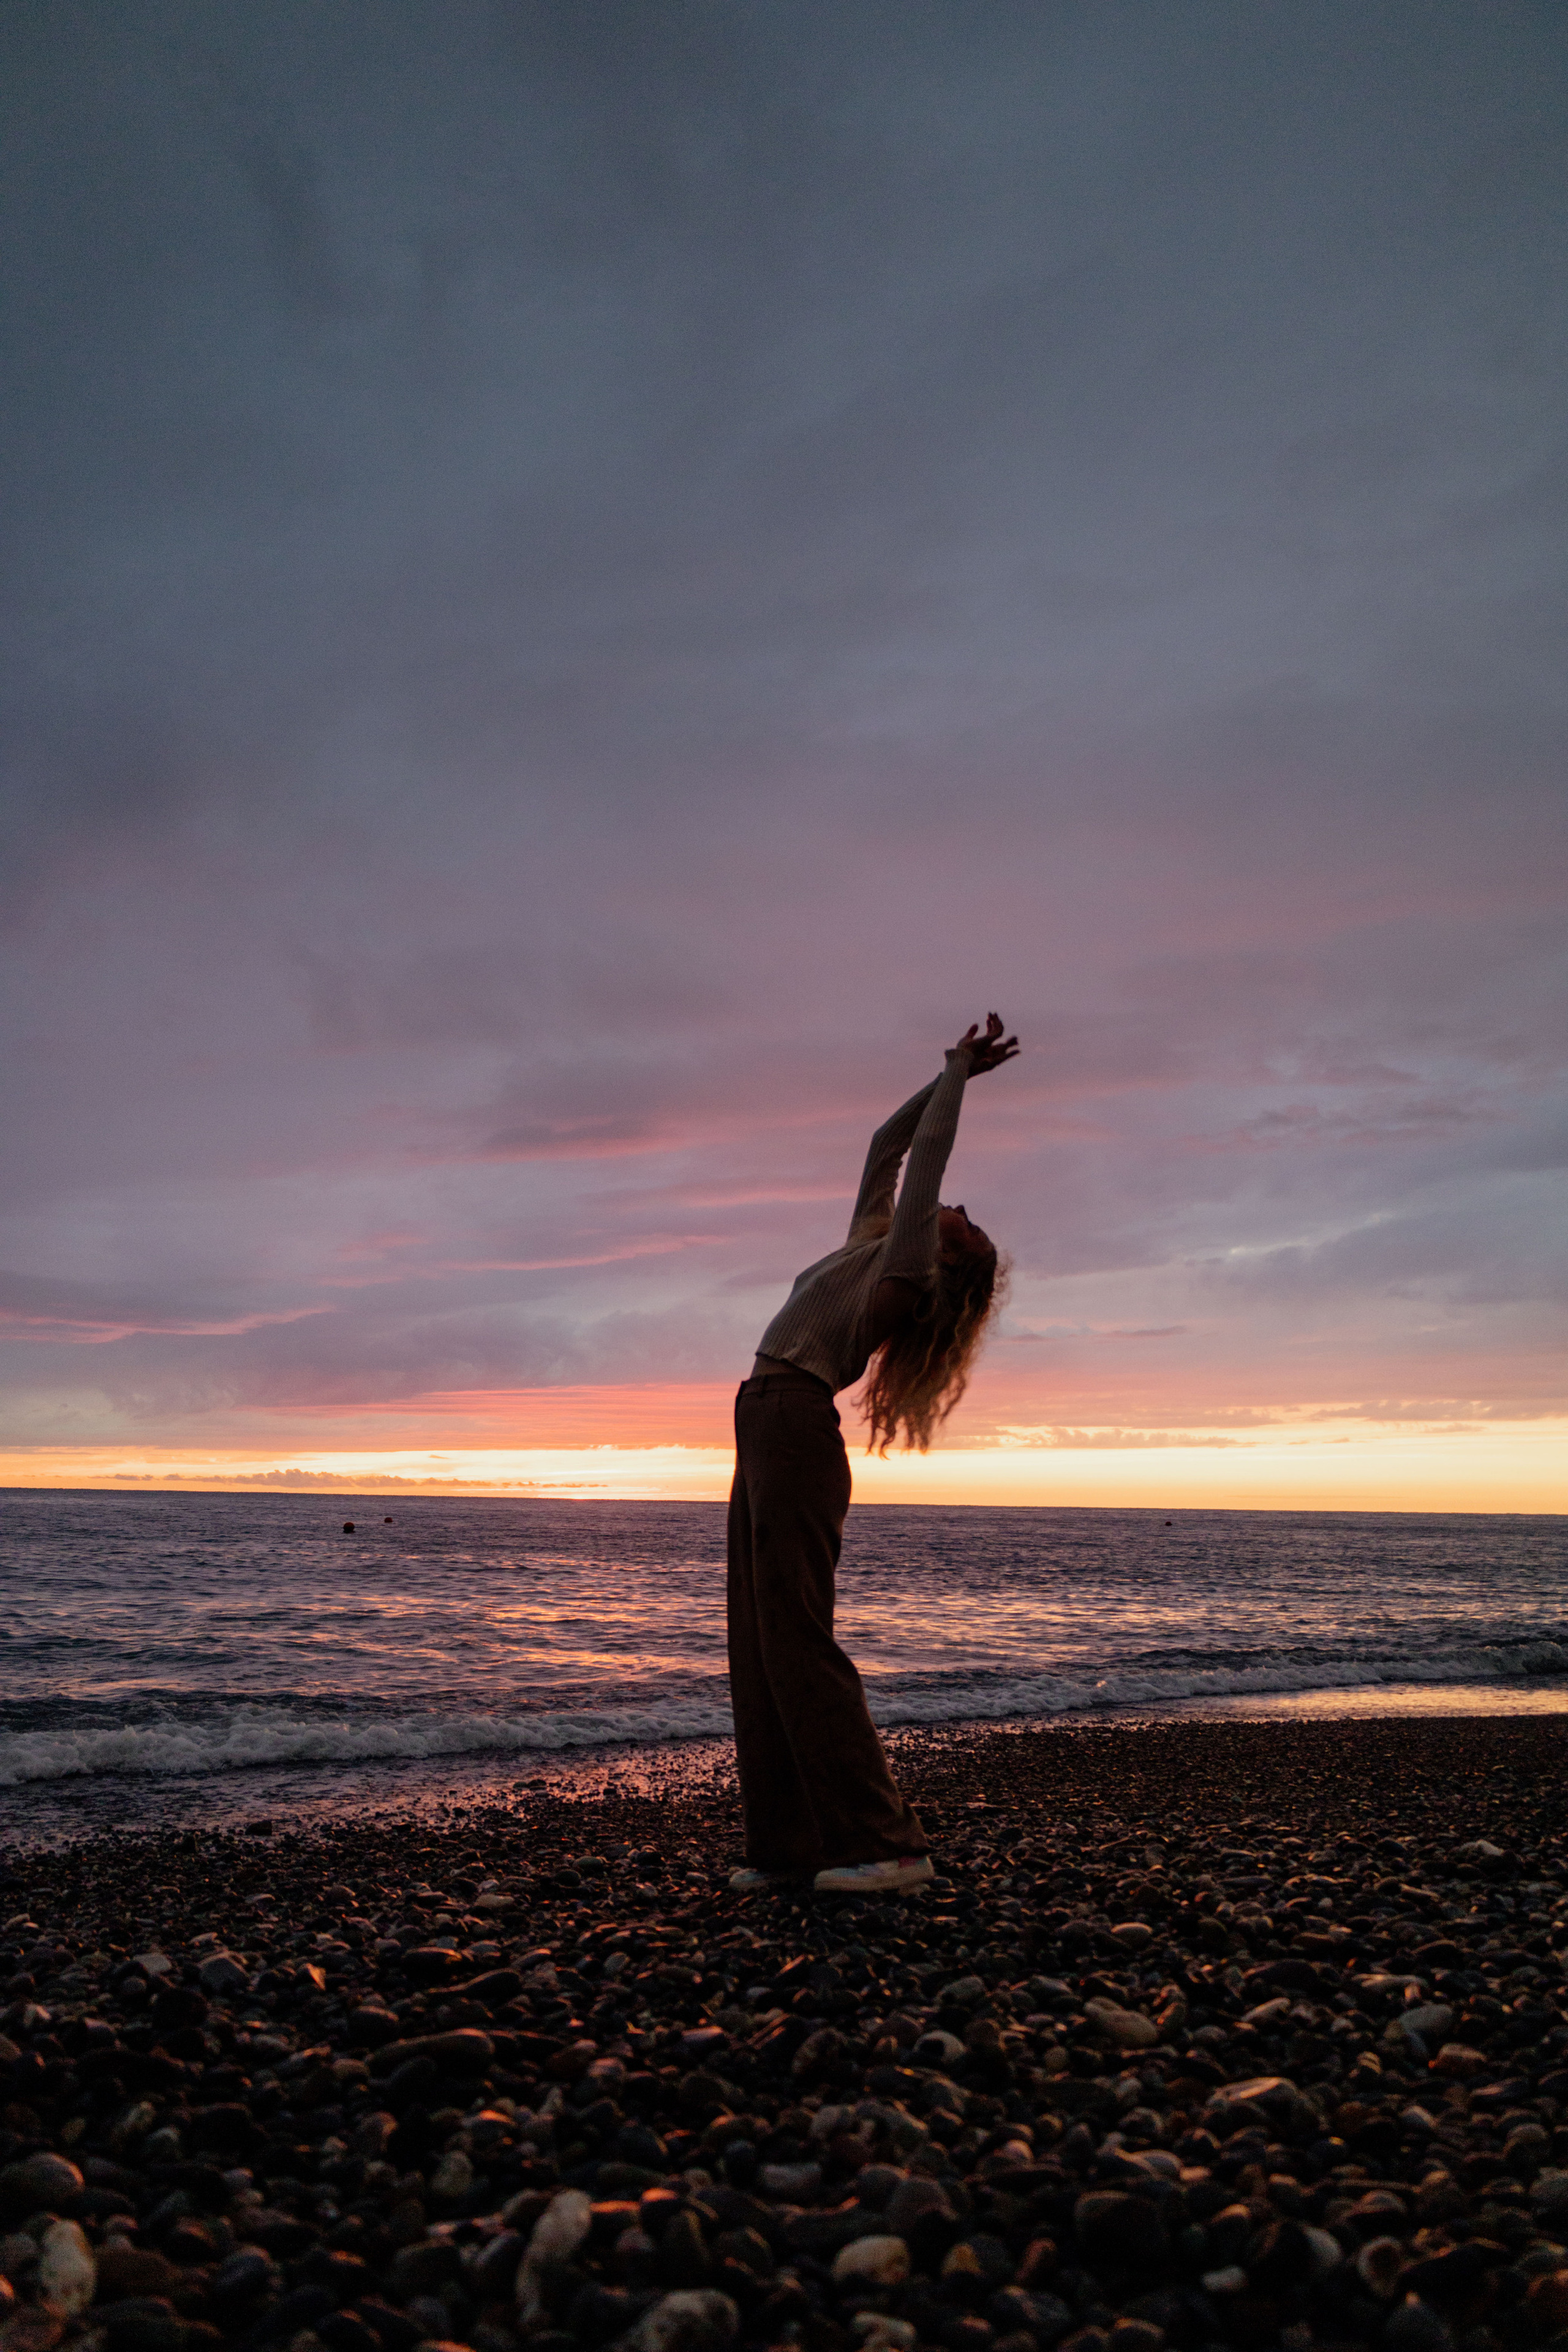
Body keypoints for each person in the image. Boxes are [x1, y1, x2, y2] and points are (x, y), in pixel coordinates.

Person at [726, 1012, 1019, 1896]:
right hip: (759, 1415)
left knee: (798, 1637)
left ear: (953, 1262)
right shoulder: (867, 1248)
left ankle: (886, 1846)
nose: (956, 1207)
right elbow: (888, 1147)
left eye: (967, 1220)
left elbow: (925, 1166)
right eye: (956, 1210)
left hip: (794, 1423)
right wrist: (944, 1072)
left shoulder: (908, 1278)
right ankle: (789, 1847)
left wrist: (963, 1080)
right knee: (759, 1641)